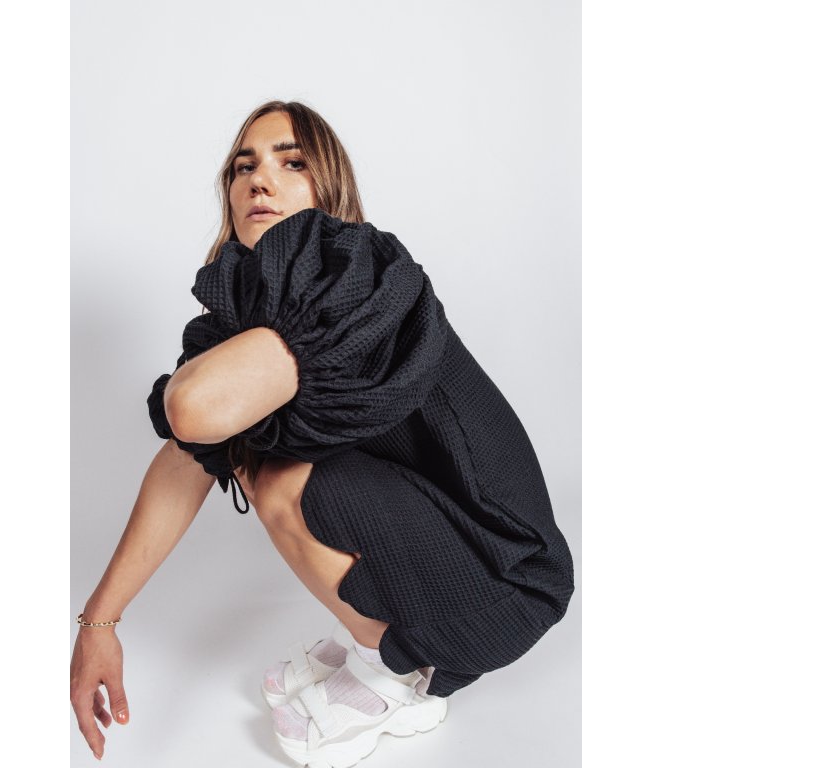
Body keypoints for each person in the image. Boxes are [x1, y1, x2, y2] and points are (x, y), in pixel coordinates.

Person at [70, 100, 575, 767]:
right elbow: (184, 460)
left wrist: (199, 394)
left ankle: (400, 674)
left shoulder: (361, 272)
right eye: (243, 167)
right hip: (441, 540)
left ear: (327, 187)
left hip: (507, 581)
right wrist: (99, 622)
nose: (259, 179)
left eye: (292, 163)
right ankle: (380, 640)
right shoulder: (254, 316)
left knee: (275, 468)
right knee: (246, 446)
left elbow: (192, 408)